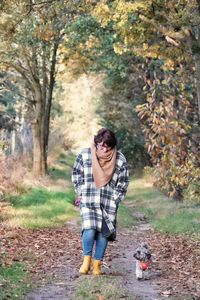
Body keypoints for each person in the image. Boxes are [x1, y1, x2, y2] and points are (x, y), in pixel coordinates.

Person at [72, 128, 129, 275]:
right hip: (89, 200)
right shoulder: (85, 154)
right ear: (96, 142)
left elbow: (123, 182)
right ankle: (86, 262)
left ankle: (97, 265)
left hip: (108, 203)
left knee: (104, 233)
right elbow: (76, 173)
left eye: (106, 146)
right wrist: (81, 191)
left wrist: (115, 199)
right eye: (100, 145)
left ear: (112, 146)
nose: (103, 148)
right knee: (89, 230)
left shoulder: (120, 159)